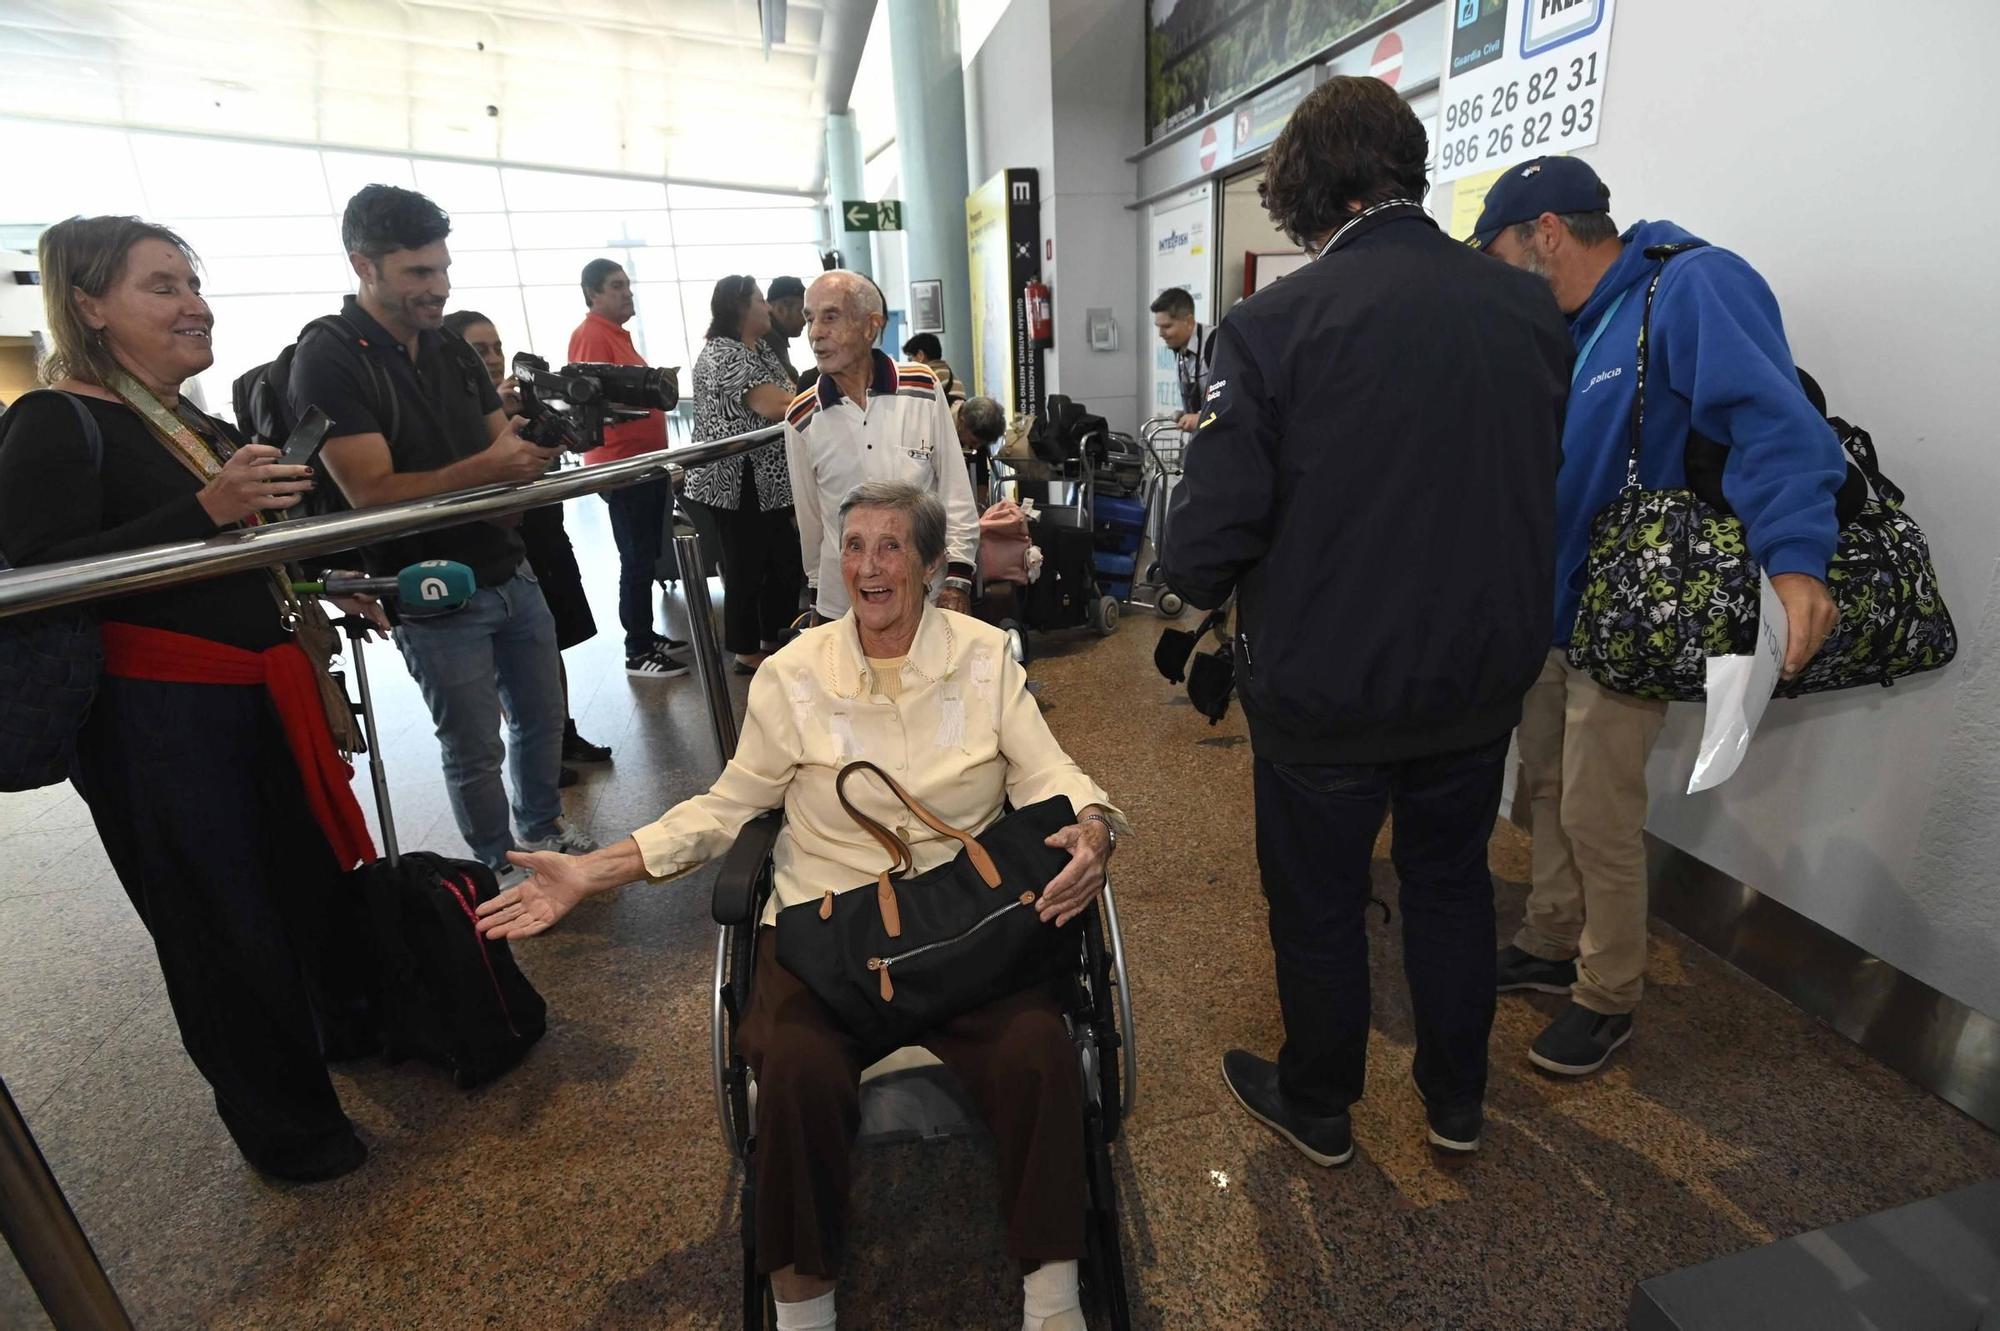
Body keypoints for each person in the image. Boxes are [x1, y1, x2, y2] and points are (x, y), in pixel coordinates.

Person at [478, 482, 1122, 1331]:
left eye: (891, 546)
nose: (868, 565)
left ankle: (1053, 1302)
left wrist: (1094, 824)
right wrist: (593, 871)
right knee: (793, 1068)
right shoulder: (792, 674)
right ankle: (804, 1311)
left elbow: (1048, 770)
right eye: (853, 546)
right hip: (828, 928)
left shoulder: (982, 654)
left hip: (961, 928)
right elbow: (724, 807)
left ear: (930, 565)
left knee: (1039, 1046)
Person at [1163, 76, 1570, 1163]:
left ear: (1299, 189)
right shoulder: (1525, 308)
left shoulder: (1267, 327)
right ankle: (1455, 1098)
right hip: (1477, 676)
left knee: (1320, 905)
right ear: (1406, 168)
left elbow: (1205, 540)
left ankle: (1321, 1103)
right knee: (1450, 885)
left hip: (1324, 685)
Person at [0, 215, 389, 1181]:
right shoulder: (55, 420)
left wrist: (313, 577)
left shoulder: (189, 423)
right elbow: (33, 578)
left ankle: (345, 1039)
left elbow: (227, 556)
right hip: (156, 726)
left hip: (251, 702)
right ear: (89, 306)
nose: (195, 305)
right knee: (221, 931)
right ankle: (295, 1136)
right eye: (162, 286)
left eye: (192, 283)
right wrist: (203, 511)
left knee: (298, 890)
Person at [1471, 156, 1844, 1075]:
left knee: (1599, 808)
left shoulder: (1690, 284)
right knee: (1548, 784)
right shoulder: (1573, 325)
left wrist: (1796, 558)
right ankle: (1552, 937)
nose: (1497, 274)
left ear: (1546, 232)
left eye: (1500, 253)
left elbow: (1773, 419)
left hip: (1634, 615)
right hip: (1556, 608)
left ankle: (1608, 992)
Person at [293, 184, 598, 875]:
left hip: (508, 566)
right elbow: (369, 490)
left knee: (543, 718)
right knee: (472, 744)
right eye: (418, 273)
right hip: (430, 588)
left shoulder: (449, 347)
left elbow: (501, 453)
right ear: (362, 266)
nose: (439, 287)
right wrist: (493, 467)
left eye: (443, 269)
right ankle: (499, 866)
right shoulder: (331, 355)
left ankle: (543, 836)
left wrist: (530, 453)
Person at [442, 309, 612, 783]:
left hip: (541, 536)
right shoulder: (461, 417)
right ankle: (538, 751)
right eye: (480, 351)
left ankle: (561, 731)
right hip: (497, 551)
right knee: (509, 663)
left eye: (497, 348)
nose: (493, 359)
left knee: (549, 643)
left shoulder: (519, 404)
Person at [784, 271, 980, 623]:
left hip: (923, 596)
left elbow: (954, 490)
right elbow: (811, 522)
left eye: (831, 316)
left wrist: (958, 579)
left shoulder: (922, 386)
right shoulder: (801, 417)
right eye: (810, 319)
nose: (815, 333)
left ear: (870, 326)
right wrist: (818, 598)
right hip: (844, 606)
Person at [568, 257, 691, 678]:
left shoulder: (616, 336)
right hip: (621, 467)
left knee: (646, 554)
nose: (628, 292)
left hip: (642, 464)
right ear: (593, 294)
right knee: (636, 557)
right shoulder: (591, 337)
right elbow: (591, 401)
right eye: (617, 286)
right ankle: (636, 647)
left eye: (627, 284)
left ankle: (645, 631)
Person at [682, 276, 803, 673]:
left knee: (782, 559)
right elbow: (774, 404)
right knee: (746, 565)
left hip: (767, 479)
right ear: (738, 307)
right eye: (758, 300)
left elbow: (790, 392)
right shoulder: (723, 354)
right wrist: (825, 398)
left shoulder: (759, 350)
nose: (766, 308)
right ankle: (746, 649)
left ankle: (775, 634)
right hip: (734, 480)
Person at [1149, 287, 1211, 432]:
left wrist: (1201, 418)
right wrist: (1187, 414)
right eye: (1158, 327)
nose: (1160, 334)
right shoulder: (1180, 348)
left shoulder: (1215, 345)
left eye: (1167, 326)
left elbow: (1230, 404)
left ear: (1188, 321)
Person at [955, 393, 1007, 507]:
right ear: (962, 423)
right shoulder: (939, 424)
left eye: (982, 444)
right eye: (974, 442)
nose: (976, 447)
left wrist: (980, 506)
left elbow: (981, 474)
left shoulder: (977, 428)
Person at [900, 332, 966, 404]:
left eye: (910, 358)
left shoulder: (926, 377)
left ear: (920, 355)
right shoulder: (953, 377)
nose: (910, 362)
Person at [763, 275, 807, 382]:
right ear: (780, 309)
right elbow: (790, 387)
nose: (805, 320)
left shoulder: (770, 337)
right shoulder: (767, 342)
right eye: (802, 312)